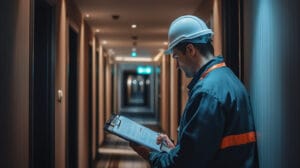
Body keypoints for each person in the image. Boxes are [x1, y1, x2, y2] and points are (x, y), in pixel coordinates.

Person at [130, 15, 258, 168]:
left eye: (176, 57)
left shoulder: (207, 93)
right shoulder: (228, 78)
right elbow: (204, 148)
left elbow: (185, 165)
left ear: (190, 50)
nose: (177, 66)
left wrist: (148, 154)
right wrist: (175, 149)